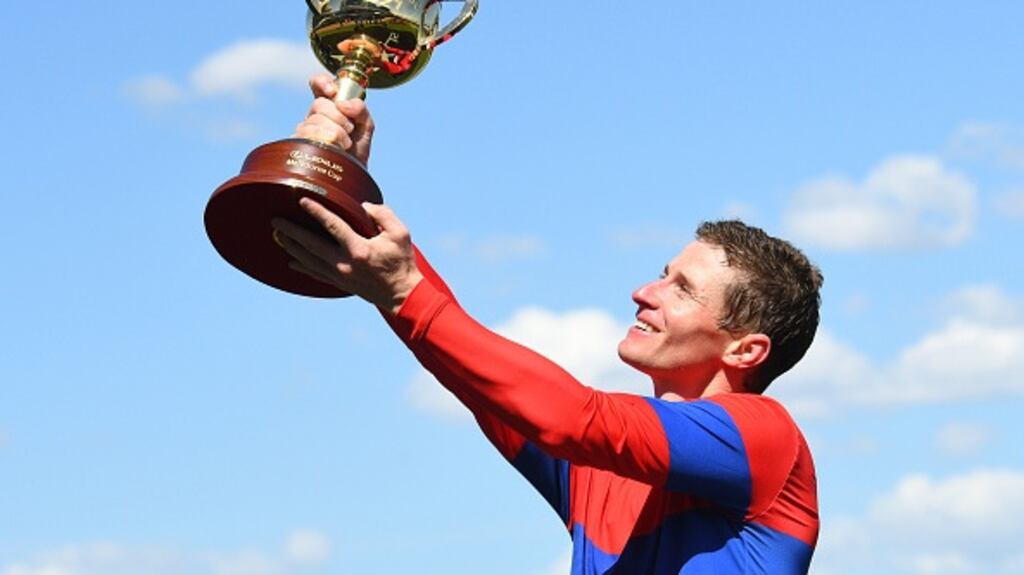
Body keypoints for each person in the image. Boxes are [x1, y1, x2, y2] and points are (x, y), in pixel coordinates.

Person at [272, 74, 822, 574]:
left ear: (745, 351)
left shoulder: (762, 437)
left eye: (682, 289)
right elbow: (481, 380)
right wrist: (352, 192)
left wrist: (402, 289)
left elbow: (568, 417)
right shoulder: (601, 469)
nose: (643, 292)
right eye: (661, 274)